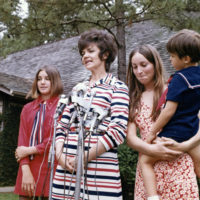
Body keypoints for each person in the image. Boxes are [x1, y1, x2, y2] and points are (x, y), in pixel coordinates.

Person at [51, 29, 129, 200]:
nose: (85, 55)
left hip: (100, 172)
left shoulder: (118, 87)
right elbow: (62, 125)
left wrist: (83, 158)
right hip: (66, 171)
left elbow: (117, 131)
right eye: (83, 52)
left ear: (105, 54)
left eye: (90, 51)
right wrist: (60, 156)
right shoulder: (78, 89)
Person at [126, 44, 200, 200]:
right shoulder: (133, 100)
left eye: (144, 65)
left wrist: (186, 145)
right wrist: (151, 149)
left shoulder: (176, 87)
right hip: (148, 170)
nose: (139, 71)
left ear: (155, 64)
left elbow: (196, 122)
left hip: (178, 164)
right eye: (134, 67)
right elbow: (130, 138)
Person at [14, 65, 64, 200]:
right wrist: (25, 169)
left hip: (53, 166)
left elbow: (56, 139)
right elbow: (22, 141)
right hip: (28, 167)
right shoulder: (27, 108)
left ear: (55, 81)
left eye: (47, 79)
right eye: (39, 79)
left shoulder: (63, 107)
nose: (42, 82)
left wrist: (30, 149)